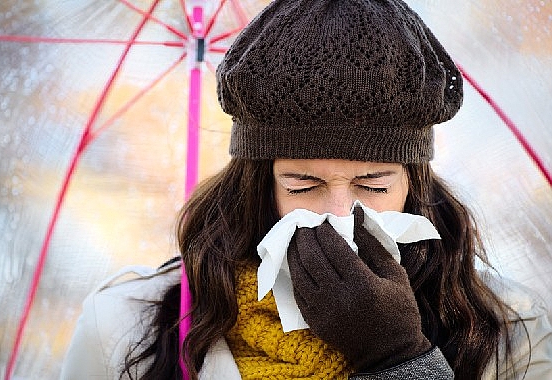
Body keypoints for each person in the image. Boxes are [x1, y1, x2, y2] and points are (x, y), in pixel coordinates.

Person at [60, 0, 552, 379]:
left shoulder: (512, 331)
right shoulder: (127, 327)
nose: (339, 214)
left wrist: (400, 357)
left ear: (413, 184)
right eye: (303, 184)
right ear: (257, 185)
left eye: (373, 184)